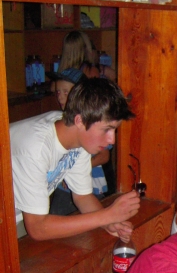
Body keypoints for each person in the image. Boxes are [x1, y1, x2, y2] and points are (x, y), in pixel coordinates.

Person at [10, 77, 140, 241]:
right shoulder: (35, 148)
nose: (112, 140)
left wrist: (109, 223)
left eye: (114, 130)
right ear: (80, 121)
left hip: (17, 215)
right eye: (106, 129)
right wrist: (107, 215)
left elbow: (82, 197)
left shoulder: (76, 138)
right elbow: (37, 228)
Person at [47, 68, 113, 215]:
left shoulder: (94, 123)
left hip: (90, 185)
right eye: (58, 92)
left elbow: (104, 156)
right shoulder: (57, 122)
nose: (60, 98)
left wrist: (70, 171)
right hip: (64, 189)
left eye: (66, 92)